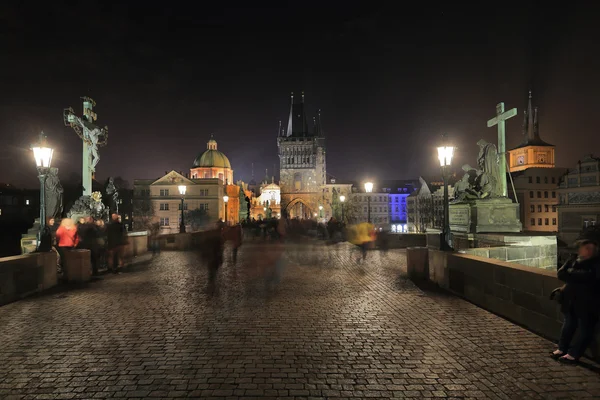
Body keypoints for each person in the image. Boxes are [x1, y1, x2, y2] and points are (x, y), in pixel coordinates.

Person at [551, 229, 600, 363]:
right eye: (585, 247)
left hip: (588, 302)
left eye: (590, 248)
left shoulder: (596, 263)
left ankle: (573, 354)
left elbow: (593, 278)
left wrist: (572, 274)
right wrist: (579, 275)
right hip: (571, 300)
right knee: (568, 325)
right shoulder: (573, 259)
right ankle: (562, 348)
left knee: (586, 330)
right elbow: (561, 274)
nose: (587, 250)